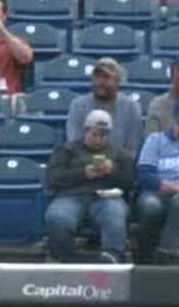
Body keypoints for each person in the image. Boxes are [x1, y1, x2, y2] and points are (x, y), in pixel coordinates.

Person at [45, 109, 134, 264]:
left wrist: (112, 171)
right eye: (94, 134)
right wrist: (83, 173)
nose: (98, 139)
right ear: (86, 130)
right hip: (71, 195)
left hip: (107, 197)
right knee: (58, 217)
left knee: (115, 214)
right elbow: (53, 178)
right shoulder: (67, 150)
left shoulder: (120, 154)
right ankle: (62, 257)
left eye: (103, 135)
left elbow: (130, 182)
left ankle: (112, 257)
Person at [66, 57, 147, 158]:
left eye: (106, 77)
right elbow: (74, 144)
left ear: (117, 81)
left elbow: (133, 148)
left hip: (120, 167)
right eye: (97, 77)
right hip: (84, 166)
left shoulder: (131, 108)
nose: (100, 82)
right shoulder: (78, 105)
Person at [135, 107, 179, 262]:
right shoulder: (155, 140)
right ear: (174, 121)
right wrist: (171, 186)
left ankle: (167, 253)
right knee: (151, 206)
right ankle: (144, 258)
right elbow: (144, 175)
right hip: (153, 192)